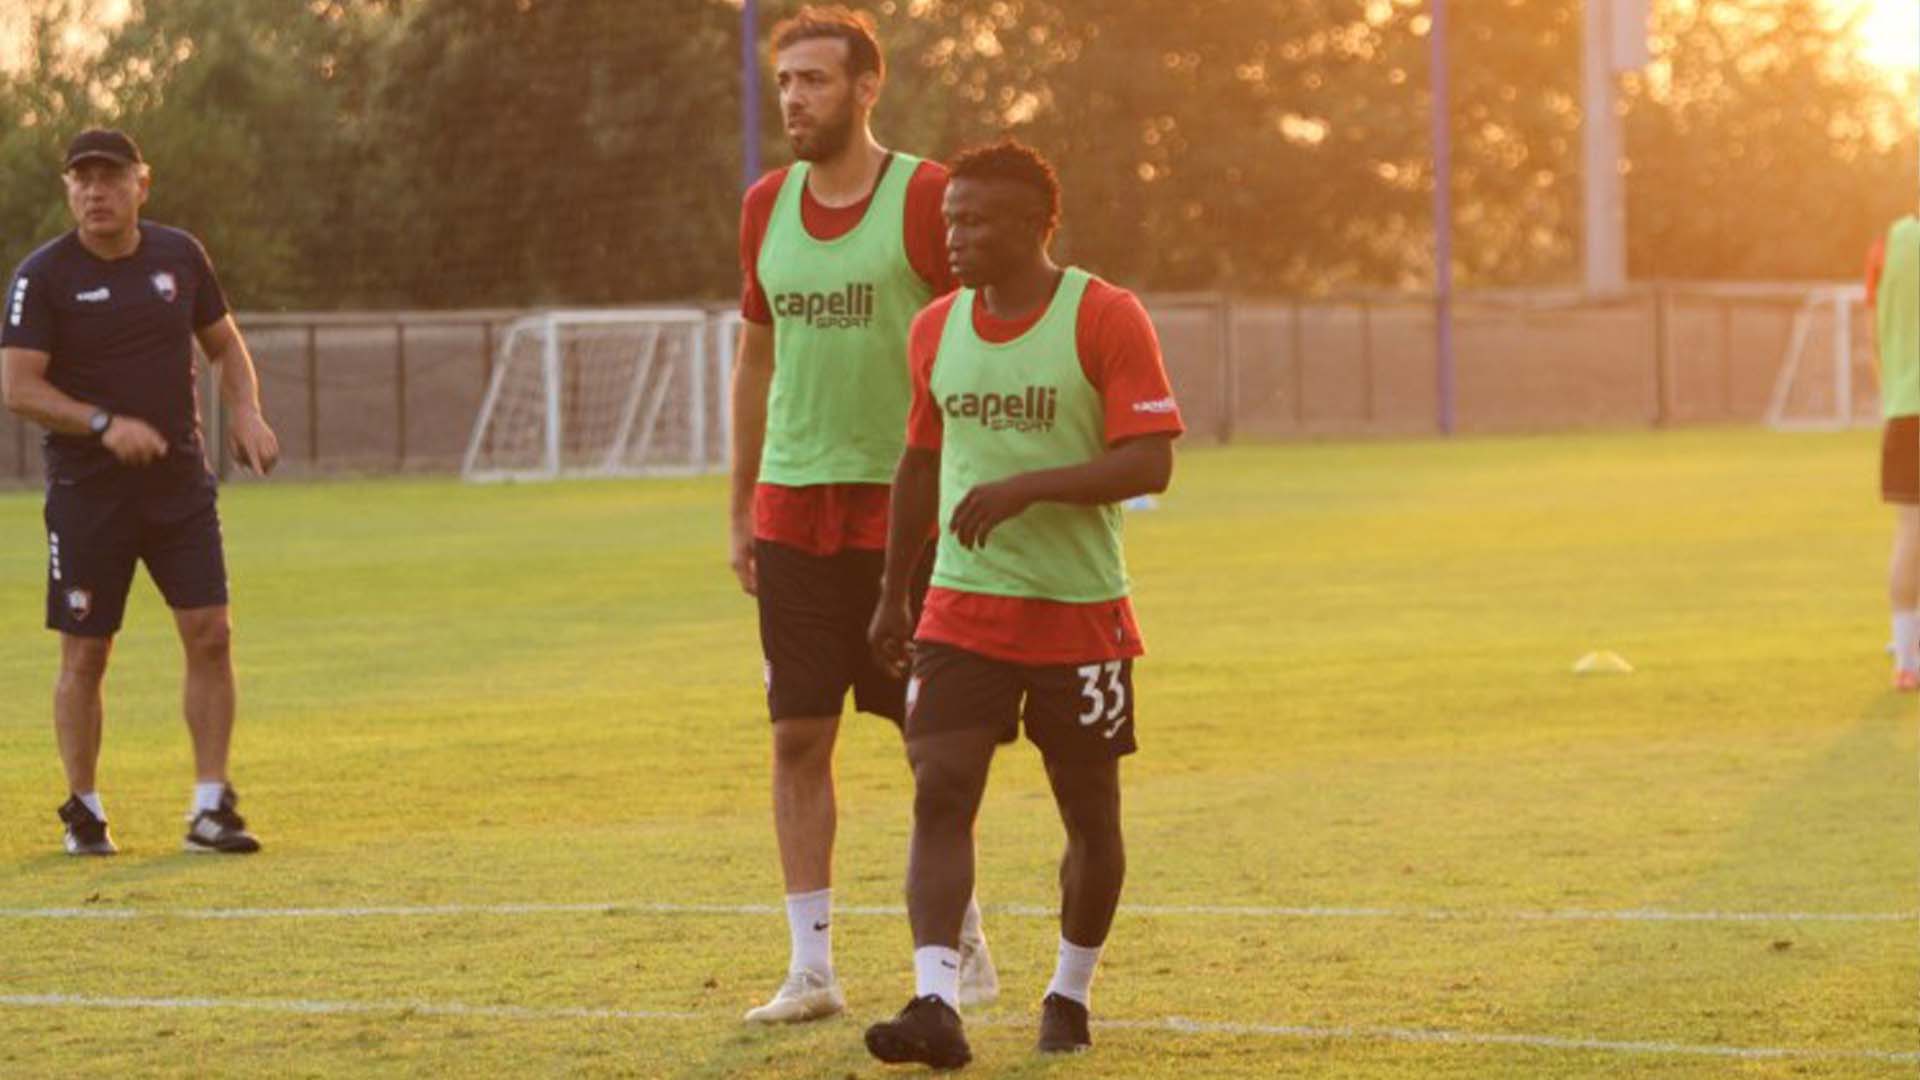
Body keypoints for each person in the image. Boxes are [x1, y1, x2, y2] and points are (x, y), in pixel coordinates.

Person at [863, 139, 1184, 1068]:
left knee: (1089, 817)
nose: (954, 237)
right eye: (949, 219)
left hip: (1079, 611)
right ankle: (936, 999)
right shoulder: (936, 329)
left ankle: (1068, 994)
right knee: (940, 786)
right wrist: (893, 594)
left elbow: (1150, 461)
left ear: (1037, 225)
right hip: (962, 609)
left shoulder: (1105, 315)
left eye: (975, 221)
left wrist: (1027, 488)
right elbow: (919, 462)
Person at [729, 5, 994, 1022]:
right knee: (798, 735)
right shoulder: (765, 206)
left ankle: (958, 935)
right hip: (793, 510)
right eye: (784, 81)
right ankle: (812, 971)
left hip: (906, 513)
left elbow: (980, 336)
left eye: (814, 80)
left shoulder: (926, 197)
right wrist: (739, 508)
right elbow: (755, 362)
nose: (794, 99)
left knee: (932, 743)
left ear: (867, 87)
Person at [0, 129, 280, 856]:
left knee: (211, 634)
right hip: (88, 495)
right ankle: (84, 808)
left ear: (141, 185)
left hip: (178, 487)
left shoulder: (179, 257)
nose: (96, 191)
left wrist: (246, 409)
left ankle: (210, 808)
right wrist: (103, 424)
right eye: (82, 179)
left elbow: (224, 344)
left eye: (111, 177)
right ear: (68, 190)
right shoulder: (42, 277)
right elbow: (19, 388)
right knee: (87, 654)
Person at [1867, 209, 1919, 690]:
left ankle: (1907, 658)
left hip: (1905, 407)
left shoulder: (1888, 242)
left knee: (1911, 531)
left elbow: (1873, 331)